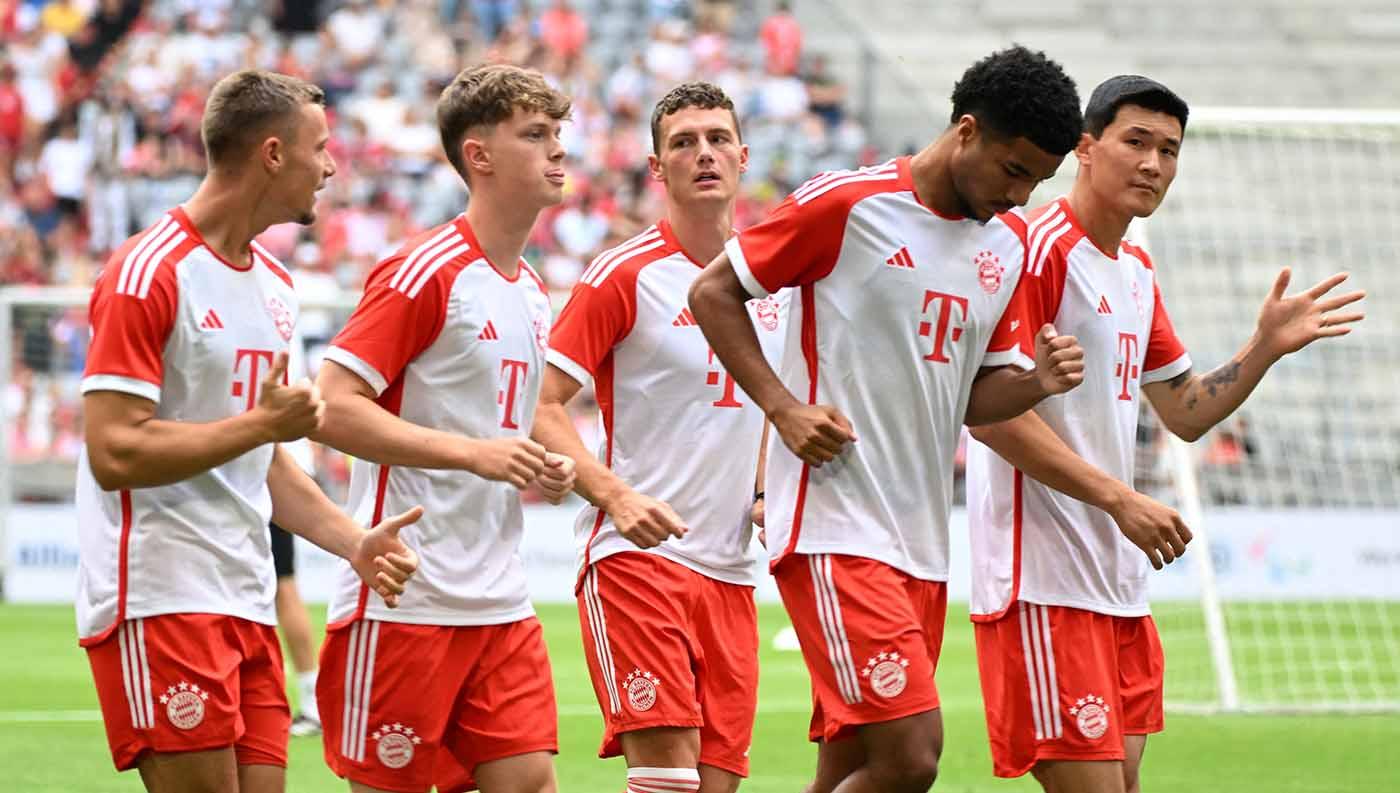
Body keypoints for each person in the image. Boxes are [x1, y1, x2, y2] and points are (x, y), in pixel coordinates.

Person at [689, 46, 1088, 793]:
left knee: (854, 766)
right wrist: (783, 408)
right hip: (834, 527)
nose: (1024, 195)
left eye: (1039, 180)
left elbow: (973, 400)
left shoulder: (1006, 243)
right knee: (912, 756)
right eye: (1015, 170)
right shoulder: (849, 204)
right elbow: (713, 293)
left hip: (922, 546)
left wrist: (1034, 382)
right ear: (966, 131)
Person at [964, 75, 1365, 793]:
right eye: (1136, 142)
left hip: (1117, 584)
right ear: (1085, 149)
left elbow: (1184, 411)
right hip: (1045, 581)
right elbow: (990, 412)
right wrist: (1120, 498)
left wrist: (1263, 346)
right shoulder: (1033, 247)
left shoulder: (1135, 270)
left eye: (1169, 150)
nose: (1153, 164)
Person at [76, 69, 421, 793]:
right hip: (160, 596)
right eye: (320, 148)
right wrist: (260, 423)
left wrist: (353, 540)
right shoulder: (146, 273)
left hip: (247, 599)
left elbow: (261, 458)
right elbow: (113, 451)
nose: (331, 167)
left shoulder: (275, 286)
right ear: (272, 153)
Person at [310, 64, 577, 793]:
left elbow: (498, 433)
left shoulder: (529, 288)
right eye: (535, 135)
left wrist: (541, 465)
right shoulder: (423, 271)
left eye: (558, 134)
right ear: (478, 155)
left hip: (500, 599)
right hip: (406, 601)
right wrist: (475, 454)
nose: (558, 150)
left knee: (531, 784)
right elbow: (331, 404)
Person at [532, 81, 779, 793]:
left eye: (717, 139)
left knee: (716, 785)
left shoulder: (774, 281)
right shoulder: (623, 273)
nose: (703, 153)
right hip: (639, 560)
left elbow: (769, 403)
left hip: (730, 569)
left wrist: (763, 490)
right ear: (656, 168)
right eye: (683, 142)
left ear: (742, 156)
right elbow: (542, 402)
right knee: (668, 780)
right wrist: (615, 497)